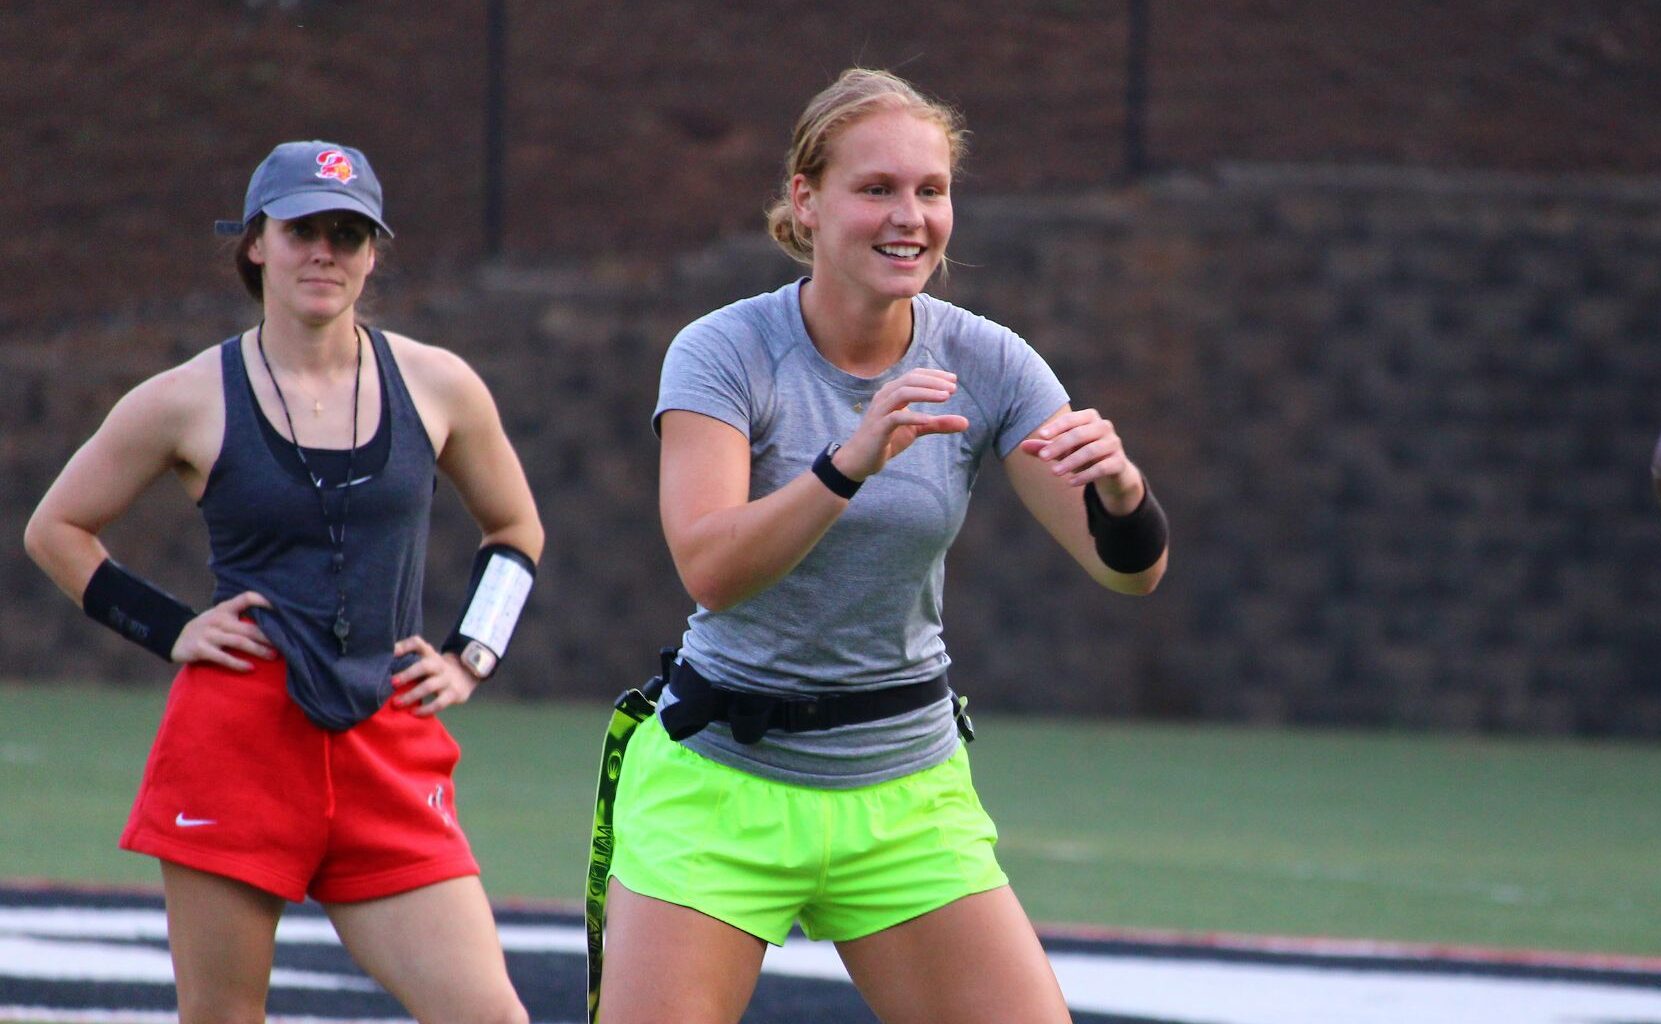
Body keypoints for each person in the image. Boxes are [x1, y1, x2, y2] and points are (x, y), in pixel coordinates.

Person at [591, 69, 1169, 1024]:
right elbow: (710, 566)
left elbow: (1130, 569)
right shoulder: (723, 351)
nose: (911, 217)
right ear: (807, 201)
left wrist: (1123, 488)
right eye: (878, 189)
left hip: (906, 792)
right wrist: (847, 463)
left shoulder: (987, 359)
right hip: (721, 783)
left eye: (931, 191)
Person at [23, 140, 542, 1024]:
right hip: (237, 745)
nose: (324, 253)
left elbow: (516, 530)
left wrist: (470, 655)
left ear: (374, 252)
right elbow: (56, 530)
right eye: (302, 229)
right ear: (256, 242)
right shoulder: (186, 397)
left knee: (489, 1016)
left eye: (348, 234)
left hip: (386, 740)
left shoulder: (439, 383)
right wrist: (172, 628)